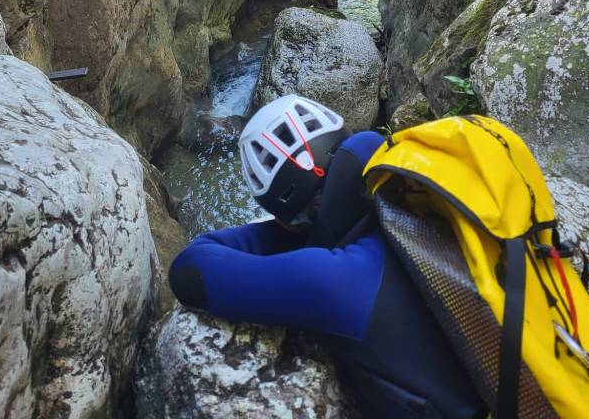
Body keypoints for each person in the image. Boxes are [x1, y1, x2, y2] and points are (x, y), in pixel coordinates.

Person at [169, 94, 487, 419]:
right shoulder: (419, 185)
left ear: (287, 217)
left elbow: (189, 271)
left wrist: (295, 232)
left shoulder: (333, 280)